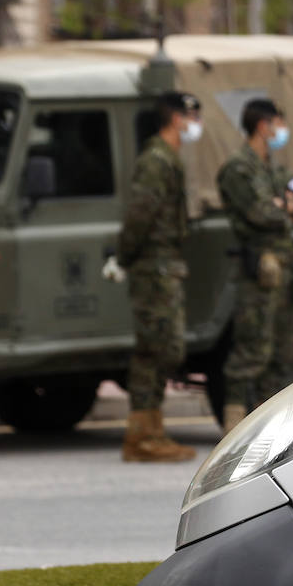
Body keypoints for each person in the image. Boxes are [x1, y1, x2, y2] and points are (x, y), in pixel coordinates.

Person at [117, 91, 203, 463]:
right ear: (175, 118)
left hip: (165, 265)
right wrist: (124, 256)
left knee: (164, 348)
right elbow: (140, 214)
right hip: (153, 267)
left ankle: (149, 430)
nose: (195, 122)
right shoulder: (156, 160)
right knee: (154, 349)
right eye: (192, 115)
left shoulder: (169, 159)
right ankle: (141, 437)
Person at [216, 99, 293, 434]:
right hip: (259, 273)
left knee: (282, 352)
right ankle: (233, 425)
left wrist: (283, 204)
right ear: (263, 126)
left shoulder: (273, 168)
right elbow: (261, 214)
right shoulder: (238, 169)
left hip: (284, 271)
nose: (281, 131)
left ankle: (274, 427)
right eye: (279, 124)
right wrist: (286, 205)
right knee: (252, 349)